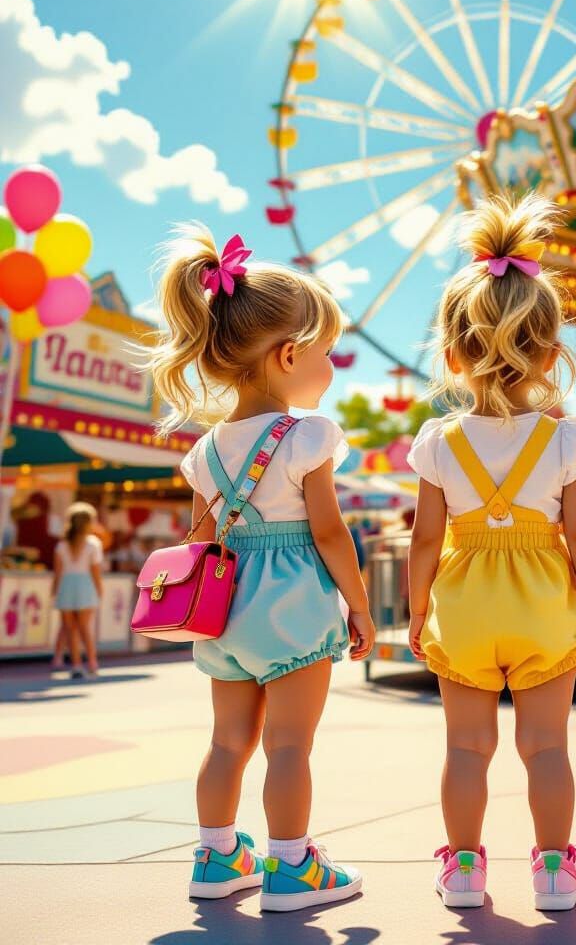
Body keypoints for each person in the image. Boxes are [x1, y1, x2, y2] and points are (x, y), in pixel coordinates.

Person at [148, 224, 375, 912]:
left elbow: (204, 537)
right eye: (327, 352)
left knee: (227, 743)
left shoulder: (205, 450)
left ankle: (216, 856)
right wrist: (360, 606)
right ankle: (291, 867)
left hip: (226, 615)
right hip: (294, 607)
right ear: (288, 355)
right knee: (288, 748)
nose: (331, 365)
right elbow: (331, 534)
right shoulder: (308, 435)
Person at [406, 191, 576, 912]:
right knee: (546, 748)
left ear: (454, 354)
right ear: (553, 353)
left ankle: (463, 870)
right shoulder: (566, 439)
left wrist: (415, 610)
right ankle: (554, 871)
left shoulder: (438, 442)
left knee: (466, 749)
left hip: (462, 600)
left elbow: (426, 535)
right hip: (544, 600)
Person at [51, 502, 103, 679]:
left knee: (70, 629)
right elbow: (95, 572)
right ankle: (93, 662)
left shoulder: (62, 545)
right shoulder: (93, 544)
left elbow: (57, 573)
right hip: (84, 586)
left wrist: (54, 591)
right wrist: (99, 590)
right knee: (85, 629)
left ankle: (76, 665)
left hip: (66, 586)